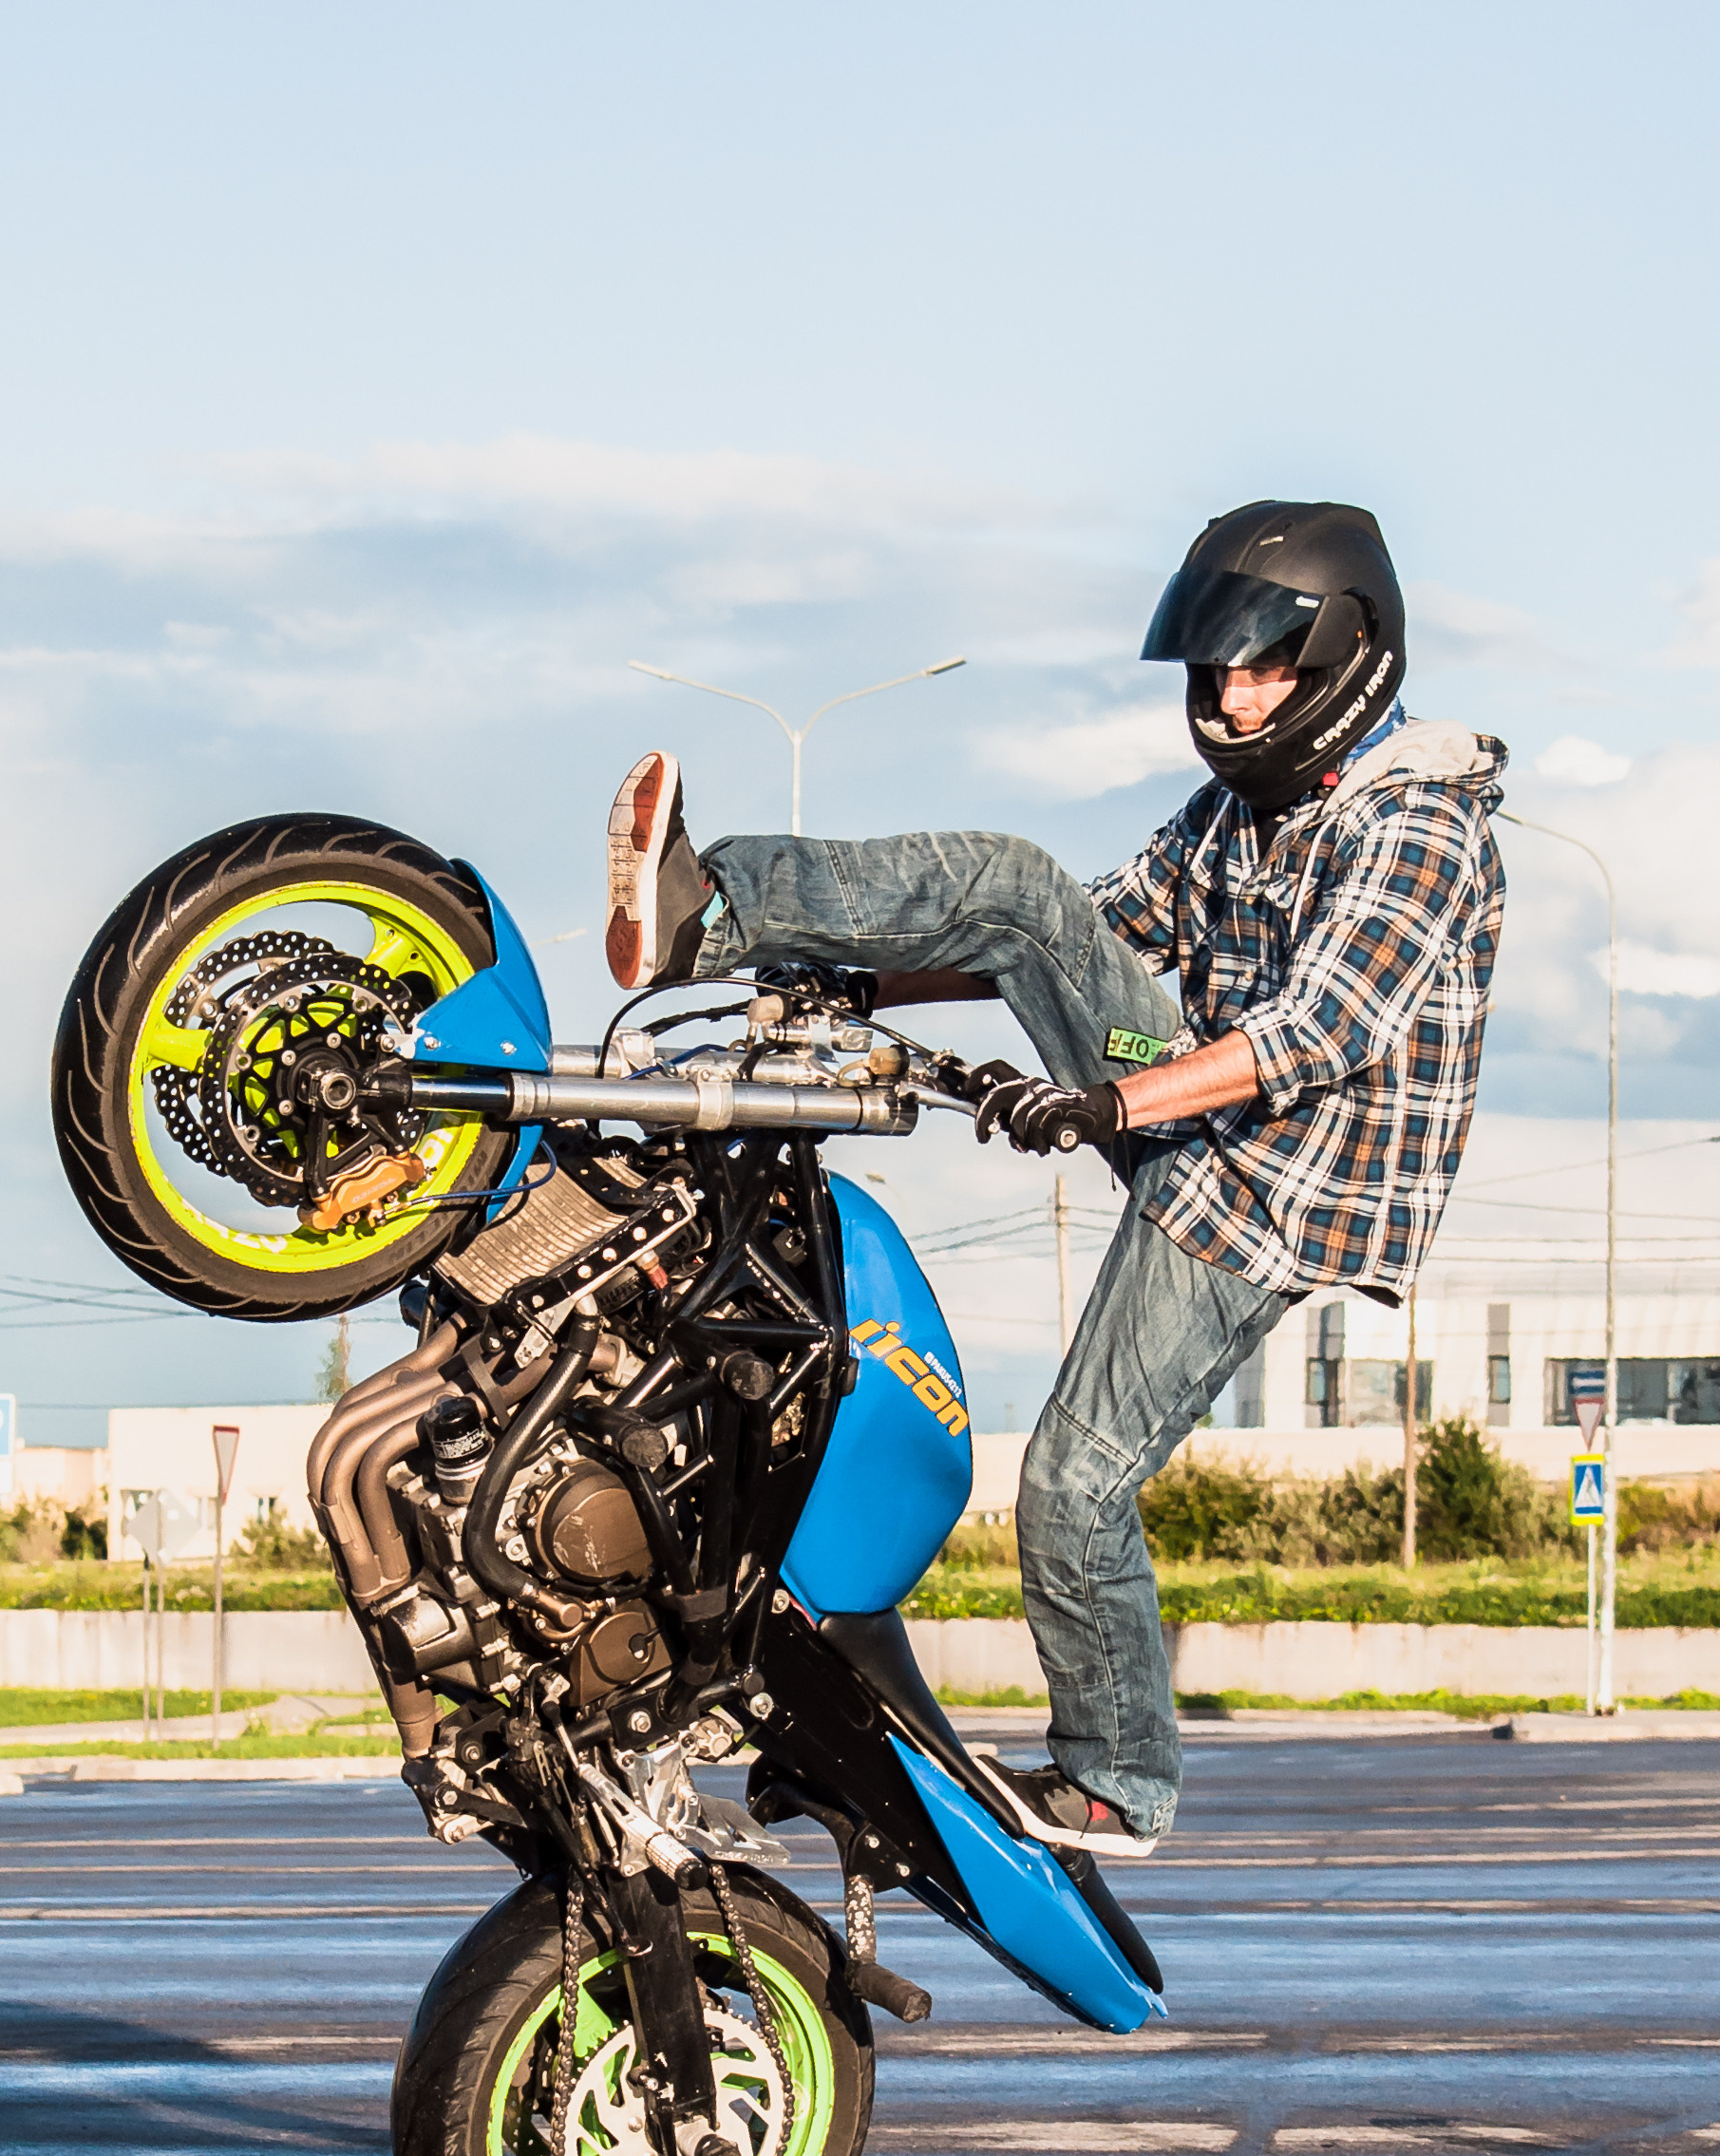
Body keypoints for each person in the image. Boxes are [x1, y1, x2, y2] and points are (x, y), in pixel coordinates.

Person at [602, 501, 1506, 1860]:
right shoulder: (1235, 814)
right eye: (1215, 675)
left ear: (1344, 661)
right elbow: (1073, 933)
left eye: (1260, 670)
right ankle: (714, 923)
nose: (1231, 699)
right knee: (1025, 894)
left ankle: (1117, 1781)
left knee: (1074, 1493)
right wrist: (858, 981)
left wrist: (1106, 1100)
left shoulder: (1420, 831)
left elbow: (1319, 1032)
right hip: (1194, 1128)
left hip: (1274, 1191)